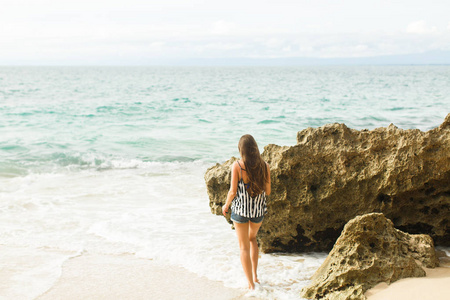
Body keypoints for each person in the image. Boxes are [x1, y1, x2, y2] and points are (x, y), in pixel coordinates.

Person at [222, 134, 271, 291]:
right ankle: (255, 276)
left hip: (240, 211)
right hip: (257, 212)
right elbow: (268, 191)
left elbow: (232, 191)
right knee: (252, 239)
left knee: (243, 247)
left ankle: (250, 284)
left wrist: (226, 205)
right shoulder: (265, 166)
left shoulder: (237, 166)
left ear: (241, 150)